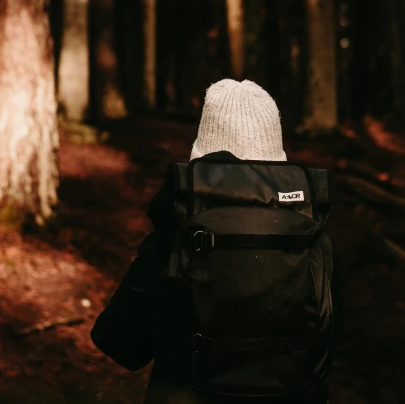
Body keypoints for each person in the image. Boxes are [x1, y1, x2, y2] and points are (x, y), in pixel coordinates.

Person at [91, 79, 338, 403]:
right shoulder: (313, 241)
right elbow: (325, 346)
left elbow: (119, 343)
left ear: (201, 157)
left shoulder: (174, 237)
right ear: (277, 157)